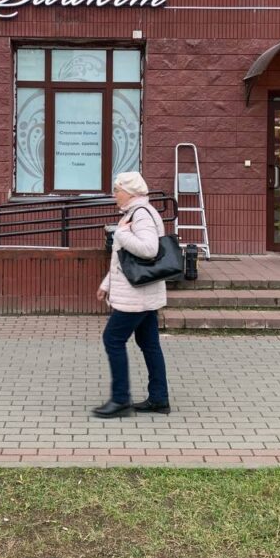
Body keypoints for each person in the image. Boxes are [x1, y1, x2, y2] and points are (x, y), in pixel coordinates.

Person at [93, 172, 170, 418]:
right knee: (149, 344)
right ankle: (159, 399)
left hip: (136, 296)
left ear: (130, 192)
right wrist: (107, 283)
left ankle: (120, 400)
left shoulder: (141, 214)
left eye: (117, 190)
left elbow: (149, 249)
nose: (114, 194)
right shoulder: (136, 213)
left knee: (112, 339)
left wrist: (121, 234)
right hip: (142, 292)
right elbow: (123, 260)